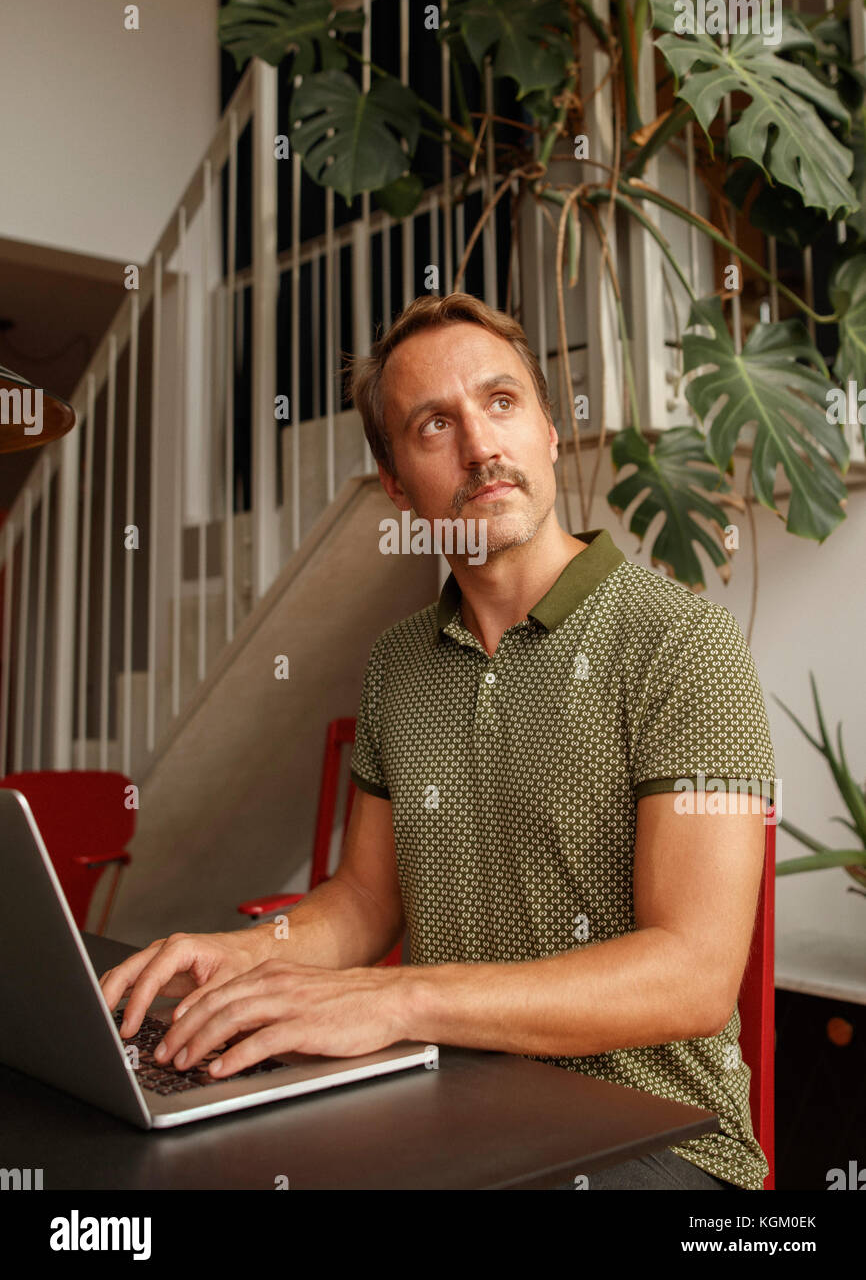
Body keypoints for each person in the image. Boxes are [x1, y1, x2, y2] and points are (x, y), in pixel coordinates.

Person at [100, 292, 776, 1190]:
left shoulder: (683, 645)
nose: (481, 445)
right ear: (394, 483)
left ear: (545, 427)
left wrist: (398, 997)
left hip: (660, 1145)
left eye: (502, 403)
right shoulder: (397, 664)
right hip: (447, 1111)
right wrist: (240, 953)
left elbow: (690, 975)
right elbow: (366, 903)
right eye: (433, 424)